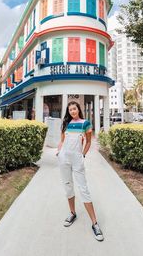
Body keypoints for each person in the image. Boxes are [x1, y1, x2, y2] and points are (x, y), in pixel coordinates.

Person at [56, 101, 104, 241]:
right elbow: (62, 141)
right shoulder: (66, 123)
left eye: (74, 108)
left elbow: (88, 142)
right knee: (68, 186)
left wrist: (82, 155)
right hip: (64, 159)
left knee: (84, 189)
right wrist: (59, 152)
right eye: (70, 109)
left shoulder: (85, 123)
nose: (72, 111)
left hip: (77, 159)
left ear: (78, 109)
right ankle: (72, 213)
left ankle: (94, 223)